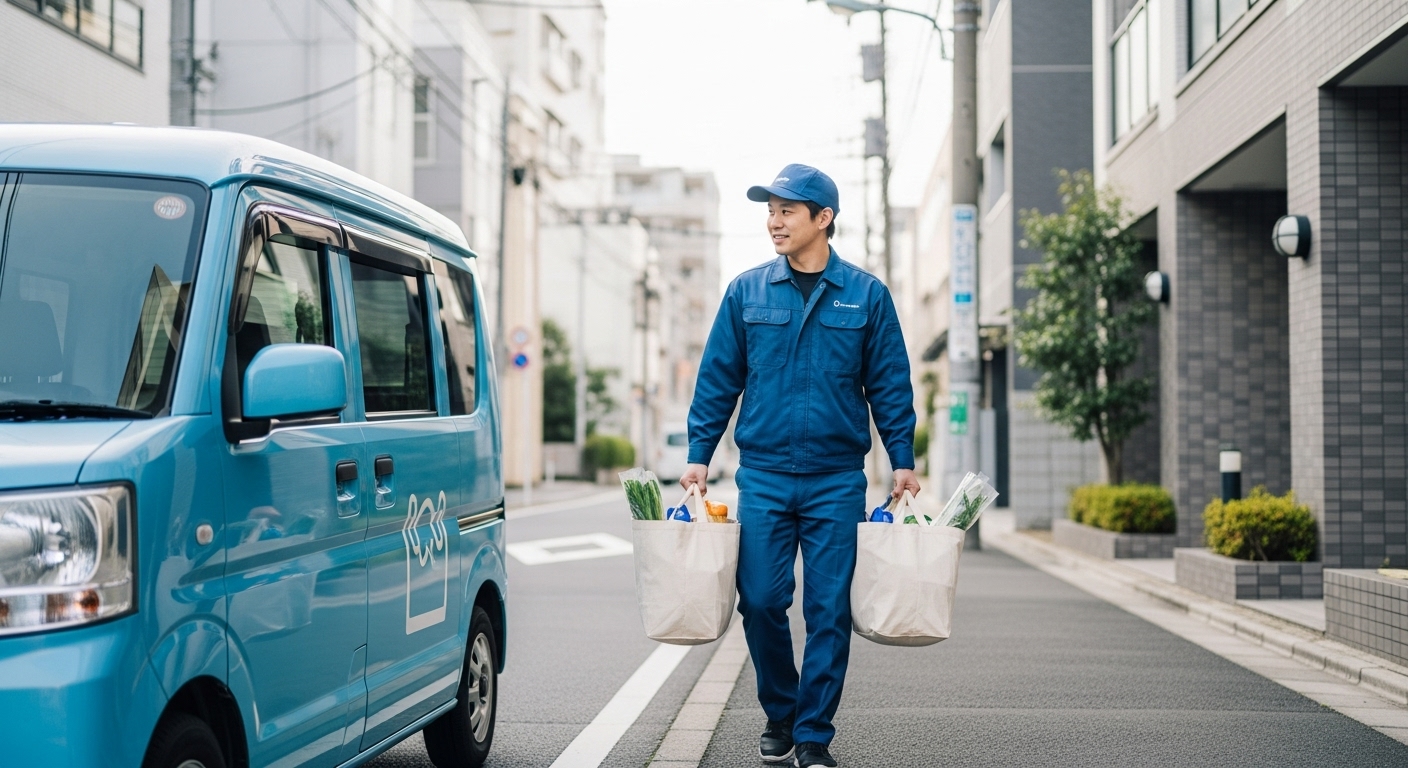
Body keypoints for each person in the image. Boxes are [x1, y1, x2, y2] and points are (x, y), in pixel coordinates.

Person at [680, 163, 919, 768]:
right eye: (770, 211)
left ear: (823, 218)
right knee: (761, 600)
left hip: (836, 478)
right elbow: (718, 380)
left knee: (828, 610)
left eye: (786, 211)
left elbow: (890, 384)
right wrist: (699, 456)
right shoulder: (747, 292)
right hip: (763, 474)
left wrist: (903, 459)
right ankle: (781, 711)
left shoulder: (866, 295)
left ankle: (813, 733)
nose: (774, 222)